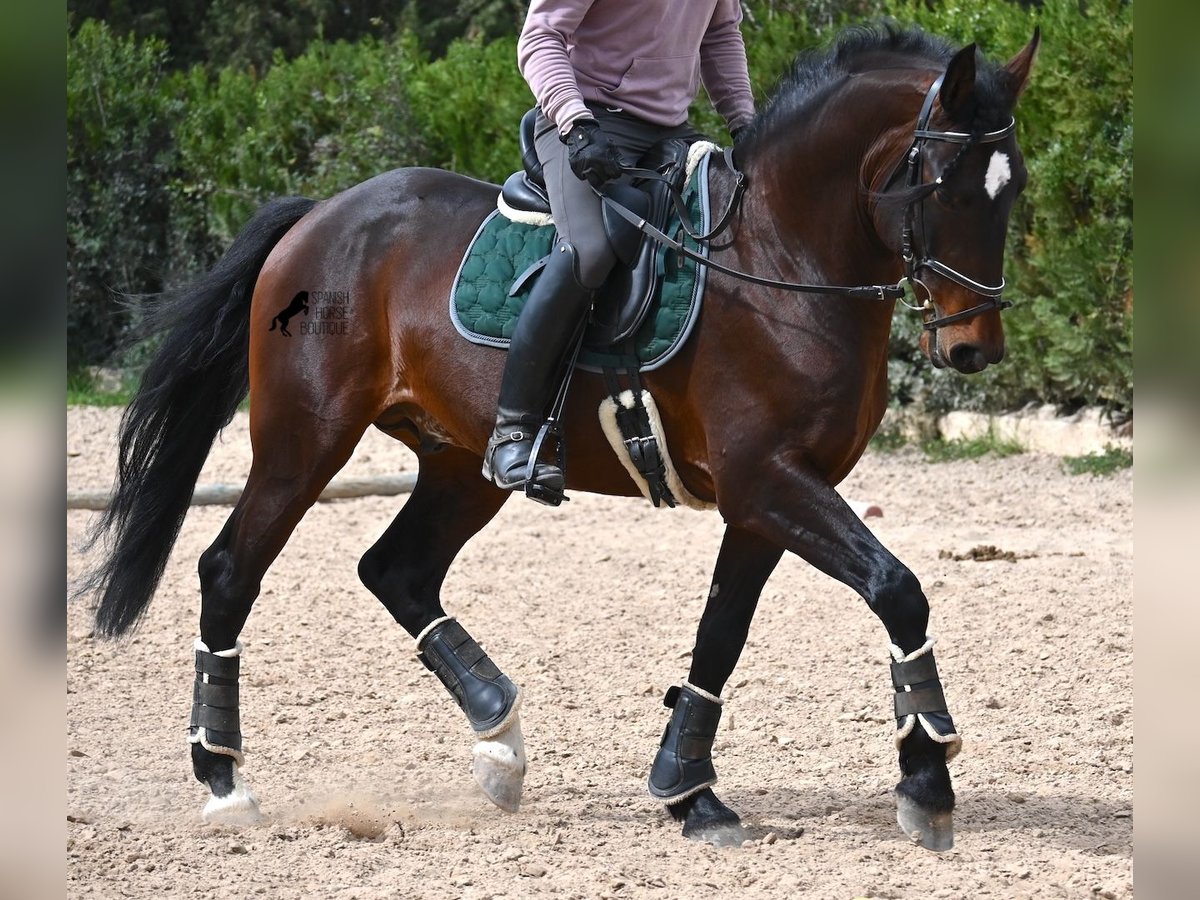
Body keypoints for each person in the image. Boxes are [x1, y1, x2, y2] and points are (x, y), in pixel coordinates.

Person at [481, 0, 755, 499]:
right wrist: (575, 122)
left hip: (670, 132)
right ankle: (512, 431)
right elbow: (539, 38)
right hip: (583, 124)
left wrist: (745, 124)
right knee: (589, 249)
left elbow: (720, 37)